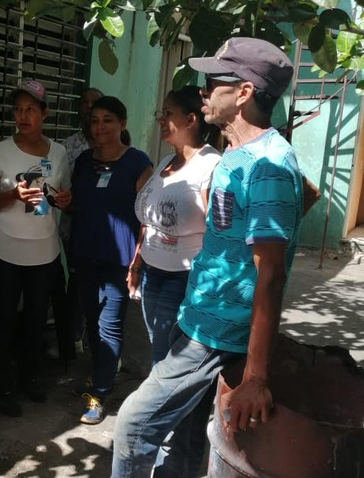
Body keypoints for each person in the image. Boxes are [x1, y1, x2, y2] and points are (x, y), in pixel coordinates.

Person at [111, 37, 304, 478]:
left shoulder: (268, 165)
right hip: (198, 318)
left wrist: (255, 376)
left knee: (133, 424)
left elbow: (270, 273)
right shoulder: (242, 155)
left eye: (213, 81)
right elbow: (297, 201)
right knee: (187, 432)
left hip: (217, 336)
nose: (203, 91)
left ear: (244, 92)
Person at [0, 78, 72, 418]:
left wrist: (64, 200)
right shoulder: (1, 151)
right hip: (5, 251)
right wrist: (11, 196)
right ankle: (0, 387)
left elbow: (64, 198)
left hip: (44, 252)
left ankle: (29, 378)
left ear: (44, 113)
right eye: (18, 109)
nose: (23, 116)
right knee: (2, 319)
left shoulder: (59, 153)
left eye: (30, 109)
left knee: (34, 319)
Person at [71, 96, 153, 424]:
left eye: (108, 120)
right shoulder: (83, 163)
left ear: (122, 123)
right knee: (92, 320)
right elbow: (80, 204)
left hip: (120, 258)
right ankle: (99, 374)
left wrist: (137, 262)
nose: (100, 127)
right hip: (85, 253)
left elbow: (148, 218)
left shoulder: (137, 163)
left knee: (110, 324)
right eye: (94, 121)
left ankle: (100, 392)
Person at [129, 86, 221, 367]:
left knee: (165, 352)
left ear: (191, 120)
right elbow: (149, 218)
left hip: (182, 276)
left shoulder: (210, 165)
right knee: (157, 343)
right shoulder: (166, 162)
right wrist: (136, 262)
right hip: (151, 271)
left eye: (168, 113)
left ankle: (161, 409)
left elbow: (218, 230)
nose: (160, 119)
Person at [61, 87, 103, 355]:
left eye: (94, 104)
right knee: (76, 282)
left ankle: (95, 335)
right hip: (74, 222)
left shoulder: (112, 143)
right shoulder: (68, 146)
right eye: (83, 103)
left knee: (101, 282)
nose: (88, 108)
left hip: (104, 226)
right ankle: (73, 335)